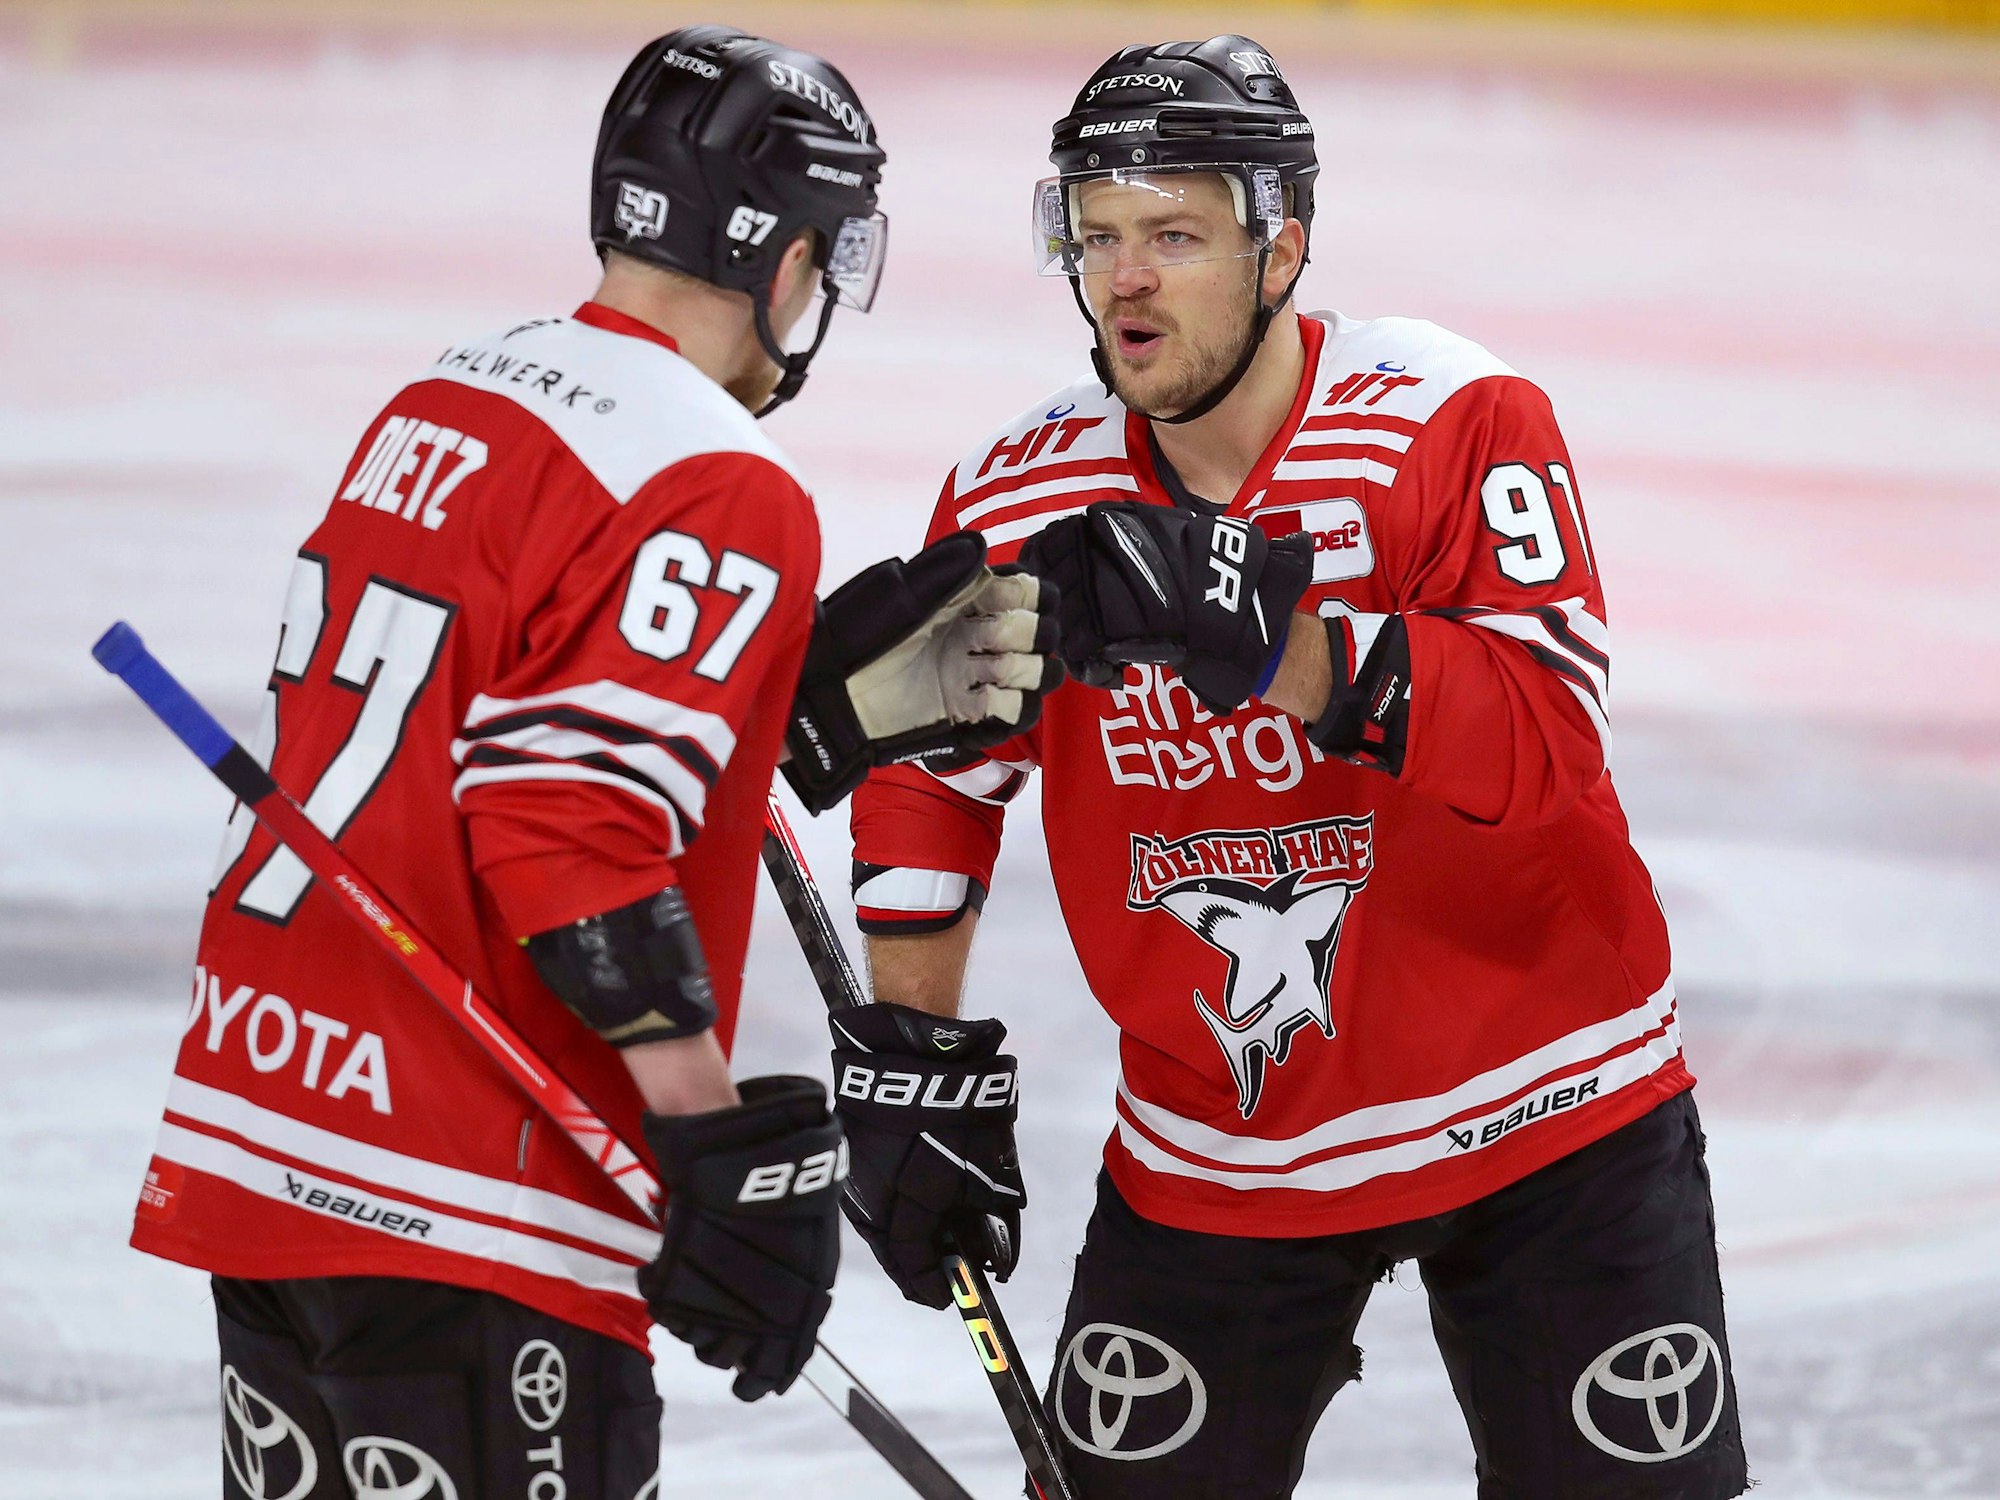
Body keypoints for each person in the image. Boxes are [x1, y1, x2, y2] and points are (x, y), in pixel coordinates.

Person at [129, 26, 1059, 1500]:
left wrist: (795, 721)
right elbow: (562, 821)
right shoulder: (716, 469)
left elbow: (472, 740)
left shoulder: (447, 395)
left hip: (270, 1127)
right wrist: (710, 1139)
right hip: (468, 1184)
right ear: (783, 252)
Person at [836, 34, 1748, 1500]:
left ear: (1284, 247)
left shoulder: (1450, 417)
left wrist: (1277, 635)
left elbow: (1545, 741)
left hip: (1550, 1113)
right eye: (1098, 234)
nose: (1124, 279)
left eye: (1175, 235)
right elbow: (934, 780)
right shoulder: (1020, 493)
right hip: (1224, 1149)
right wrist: (910, 1057)